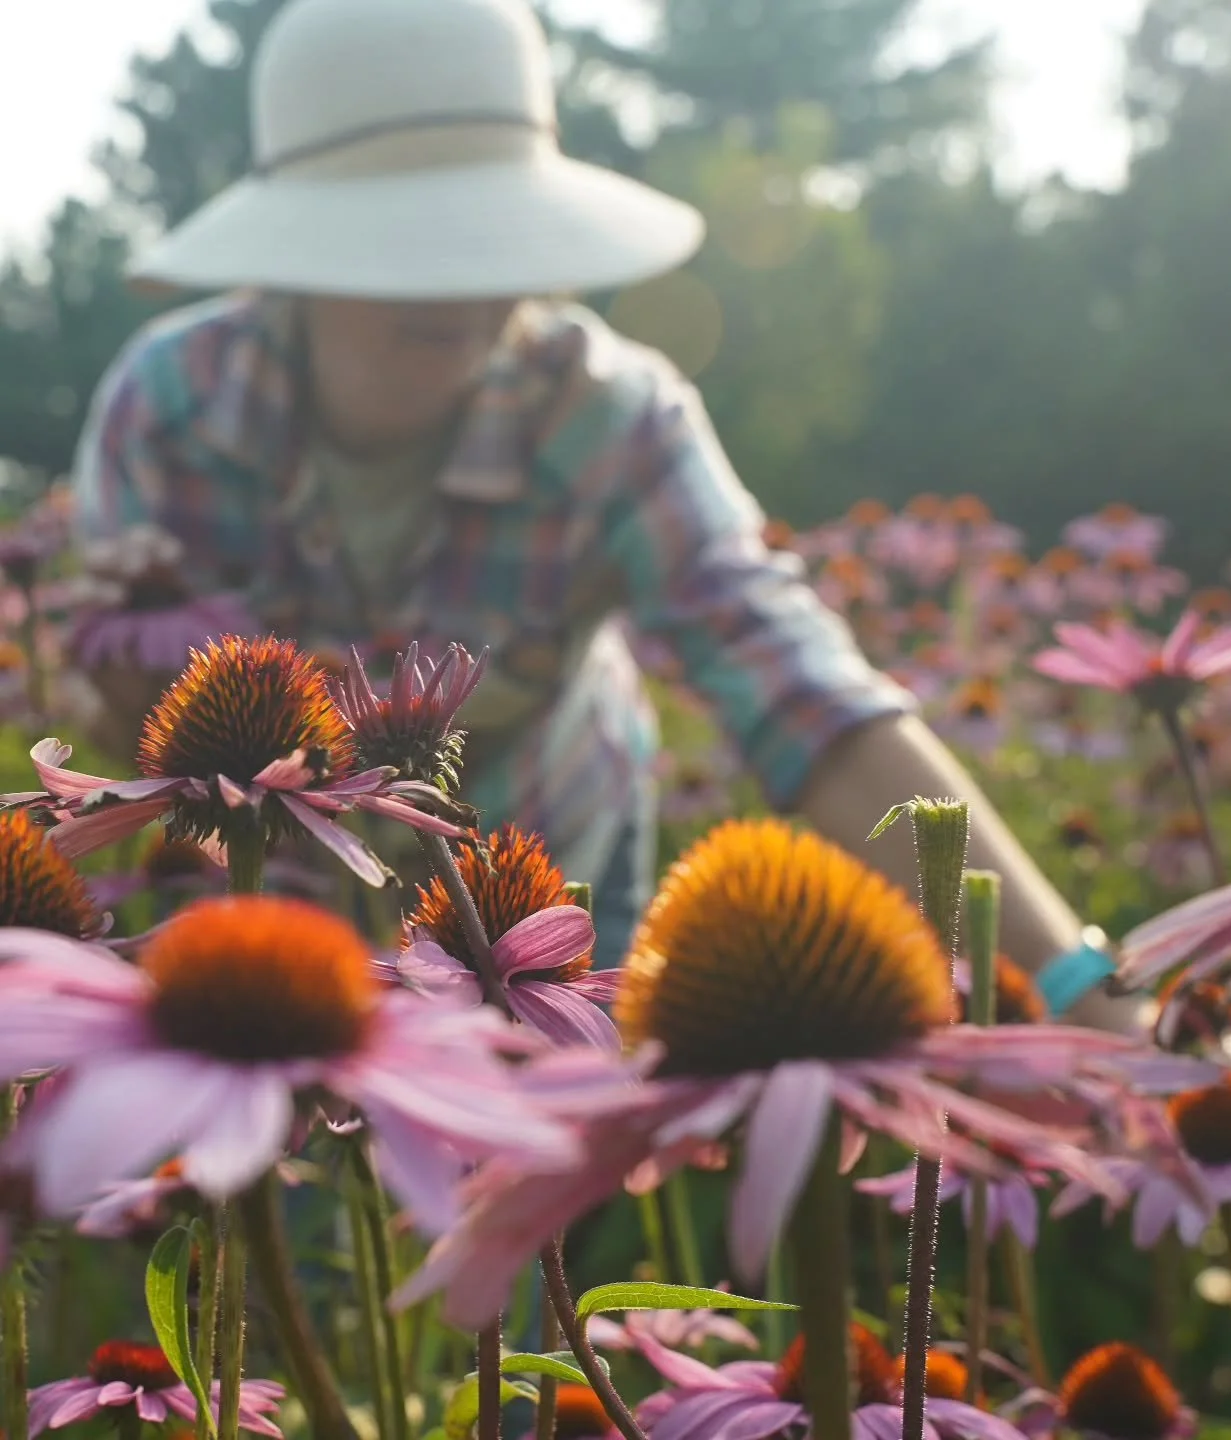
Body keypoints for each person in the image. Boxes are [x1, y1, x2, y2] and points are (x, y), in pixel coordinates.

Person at [71, 0, 1124, 1024]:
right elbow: (140, 744)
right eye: (402, 243)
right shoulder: (167, 411)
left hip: (545, 896)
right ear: (293, 251)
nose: (467, 287)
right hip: (272, 917)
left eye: (490, 234)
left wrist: (1086, 996)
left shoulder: (615, 421)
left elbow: (807, 699)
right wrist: (130, 699)